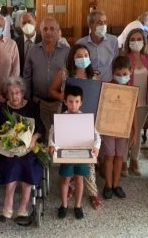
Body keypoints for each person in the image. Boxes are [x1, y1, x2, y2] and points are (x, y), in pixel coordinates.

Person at [48, 44, 101, 209]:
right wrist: (66, 98)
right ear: (72, 57)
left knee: (87, 158)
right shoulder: (64, 73)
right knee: (68, 155)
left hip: (87, 118)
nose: (83, 58)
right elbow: (51, 90)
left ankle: (93, 192)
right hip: (67, 117)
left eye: (86, 55)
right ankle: (68, 187)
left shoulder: (95, 76)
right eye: (79, 55)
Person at [0, 76, 44, 220]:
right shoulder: (2, 109)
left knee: (28, 162)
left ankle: (24, 204)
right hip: (8, 150)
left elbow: (40, 128)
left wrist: (33, 139)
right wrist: (3, 143)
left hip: (28, 148)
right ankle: (8, 201)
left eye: (18, 92)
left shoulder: (32, 106)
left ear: (22, 92)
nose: (15, 96)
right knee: (11, 162)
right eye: (11, 93)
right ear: (6, 94)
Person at [48, 85, 101, 219]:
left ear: (81, 102)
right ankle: (64, 205)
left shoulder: (85, 119)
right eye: (70, 101)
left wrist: (96, 146)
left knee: (79, 180)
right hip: (66, 155)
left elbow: (96, 135)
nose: (73, 105)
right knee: (65, 179)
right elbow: (52, 133)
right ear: (65, 102)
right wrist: (52, 144)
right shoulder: (60, 118)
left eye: (77, 102)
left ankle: (78, 206)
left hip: (82, 154)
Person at [23, 17, 69, 139]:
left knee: (58, 136)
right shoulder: (32, 50)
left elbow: (70, 77)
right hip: (38, 103)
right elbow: (26, 76)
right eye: (45, 29)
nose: (48, 32)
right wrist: (27, 99)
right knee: (41, 136)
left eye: (52, 29)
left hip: (59, 103)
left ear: (58, 31)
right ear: (40, 31)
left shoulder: (66, 51)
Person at [101, 56, 137, 200]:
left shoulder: (131, 91)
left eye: (124, 74)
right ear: (113, 73)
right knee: (109, 156)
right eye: (118, 74)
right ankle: (108, 185)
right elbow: (103, 109)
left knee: (119, 157)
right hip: (108, 129)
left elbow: (133, 112)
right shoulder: (108, 87)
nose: (121, 77)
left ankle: (116, 184)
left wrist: (134, 132)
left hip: (123, 130)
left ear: (130, 72)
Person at [122, 29, 148, 177]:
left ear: (144, 41)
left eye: (139, 39)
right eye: (133, 39)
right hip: (128, 102)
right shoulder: (125, 58)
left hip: (144, 101)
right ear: (128, 42)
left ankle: (134, 159)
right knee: (126, 133)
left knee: (138, 131)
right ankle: (123, 160)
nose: (136, 42)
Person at [76, 10, 119, 82]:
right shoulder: (81, 43)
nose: (103, 25)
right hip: (88, 82)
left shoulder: (113, 40)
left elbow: (115, 63)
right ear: (90, 25)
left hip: (107, 82)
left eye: (105, 22)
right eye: (99, 23)